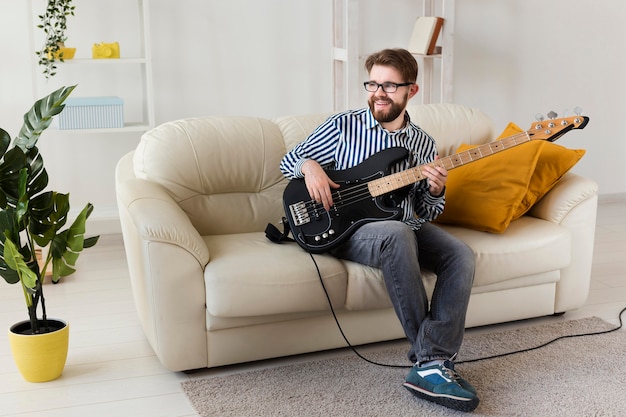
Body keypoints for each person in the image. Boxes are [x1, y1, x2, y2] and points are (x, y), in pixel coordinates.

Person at [279, 48, 478, 412]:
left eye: (389, 85)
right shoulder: (343, 126)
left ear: (411, 91)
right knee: (395, 234)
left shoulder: (422, 144)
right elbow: (288, 160)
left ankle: (430, 359)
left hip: (403, 224)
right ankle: (430, 364)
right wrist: (310, 167)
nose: (378, 92)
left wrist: (435, 188)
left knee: (459, 254)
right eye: (373, 83)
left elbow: (424, 211)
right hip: (345, 228)